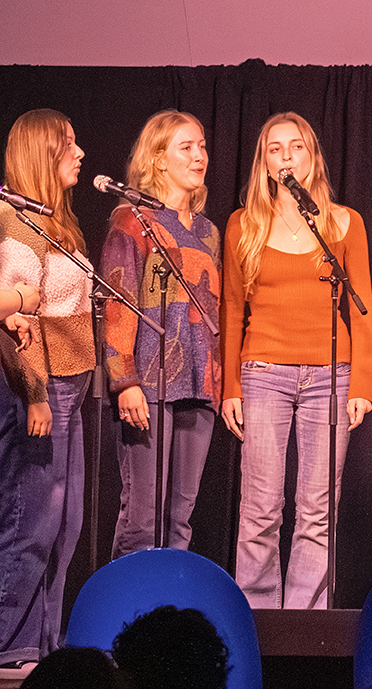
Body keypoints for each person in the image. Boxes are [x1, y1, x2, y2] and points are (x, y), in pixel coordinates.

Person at [220, 112, 372, 609]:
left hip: (332, 375)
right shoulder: (242, 224)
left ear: (312, 158)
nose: (287, 157)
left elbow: (362, 307)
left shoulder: (344, 222)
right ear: (264, 162)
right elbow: (229, 308)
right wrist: (230, 387)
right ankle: (260, 623)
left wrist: (362, 385)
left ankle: (306, 626)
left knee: (317, 510)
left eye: (297, 147)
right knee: (261, 508)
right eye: (275, 148)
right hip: (263, 372)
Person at [100, 110, 221, 557]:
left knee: (180, 519)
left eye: (202, 146)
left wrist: (220, 385)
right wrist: (124, 379)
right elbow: (117, 302)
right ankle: (125, 618)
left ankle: (170, 617)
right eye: (186, 147)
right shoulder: (132, 221)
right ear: (159, 158)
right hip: (146, 385)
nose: (199, 156)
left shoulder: (208, 231)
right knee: (143, 517)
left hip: (198, 385)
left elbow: (213, 312)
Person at [0, 109, 92, 667]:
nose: (80, 153)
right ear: (42, 153)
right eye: (69, 144)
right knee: (31, 521)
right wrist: (35, 392)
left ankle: (45, 644)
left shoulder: (54, 222)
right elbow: (18, 319)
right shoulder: (14, 225)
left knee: (67, 523)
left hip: (74, 387)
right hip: (45, 387)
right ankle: (10, 645)